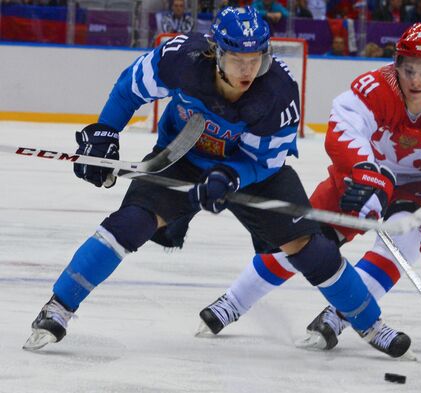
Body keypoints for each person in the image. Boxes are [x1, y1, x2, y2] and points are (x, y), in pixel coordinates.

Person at [23, 6, 386, 352]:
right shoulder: (180, 58)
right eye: (236, 59)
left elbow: (266, 162)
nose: (247, 69)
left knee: (309, 247)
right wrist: (105, 132)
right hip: (183, 156)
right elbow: (129, 89)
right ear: (215, 52)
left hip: (251, 172)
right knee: (131, 222)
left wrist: (230, 176)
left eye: (255, 59)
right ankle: (58, 308)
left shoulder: (277, 94)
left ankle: (370, 324)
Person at [198, 23, 421, 356]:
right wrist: (367, 174)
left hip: (419, 186)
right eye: (409, 70)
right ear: (396, 65)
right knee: (302, 238)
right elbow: (343, 128)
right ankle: (233, 301)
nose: (416, 81)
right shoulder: (375, 87)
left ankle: (340, 315)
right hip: (361, 175)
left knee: (404, 241)